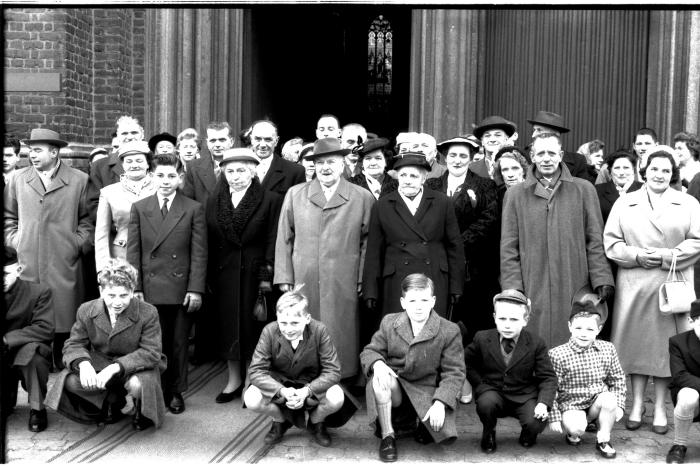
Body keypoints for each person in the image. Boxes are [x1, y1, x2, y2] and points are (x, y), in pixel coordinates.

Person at [604, 148, 700, 435]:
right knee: (635, 345)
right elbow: (611, 243)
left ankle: (659, 406)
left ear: (673, 175)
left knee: (664, 347)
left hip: (671, 286)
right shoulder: (625, 202)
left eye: (666, 171)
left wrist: (665, 256)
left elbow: (697, 241)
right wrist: (635, 256)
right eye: (654, 169)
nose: (659, 175)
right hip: (634, 284)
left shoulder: (688, 203)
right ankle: (636, 404)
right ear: (644, 171)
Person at [500, 132, 614, 347]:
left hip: (574, 279)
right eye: (540, 153)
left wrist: (602, 278)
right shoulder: (515, 194)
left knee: (574, 341)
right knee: (534, 343)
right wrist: (513, 287)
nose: (546, 158)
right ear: (532, 156)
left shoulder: (584, 189)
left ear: (561, 155)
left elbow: (595, 240)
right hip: (533, 280)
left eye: (551, 153)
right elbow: (508, 248)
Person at [275, 138, 374, 380]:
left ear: (343, 165)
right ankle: (308, 378)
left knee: (342, 329)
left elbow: (368, 243)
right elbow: (284, 237)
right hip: (304, 276)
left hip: (344, 277)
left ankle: (341, 380)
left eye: (331, 162)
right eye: (320, 163)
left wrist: (362, 277)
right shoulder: (295, 194)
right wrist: (285, 276)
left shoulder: (362, 197)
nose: (325, 167)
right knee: (304, 326)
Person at [4, 128, 93, 369]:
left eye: (37, 150)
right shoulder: (17, 179)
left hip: (64, 262)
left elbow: (88, 221)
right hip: (28, 260)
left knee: (65, 317)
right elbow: (8, 217)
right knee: (32, 318)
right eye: (30, 150)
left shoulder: (79, 180)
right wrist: (16, 241)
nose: (31, 155)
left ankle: (65, 367)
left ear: (54, 152)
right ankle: (36, 369)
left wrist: (76, 245)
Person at [44, 259, 167, 430]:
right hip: (101, 363)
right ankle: (112, 401)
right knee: (71, 381)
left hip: (138, 367)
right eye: (111, 295)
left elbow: (151, 352)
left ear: (132, 291)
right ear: (101, 291)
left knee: (138, 385)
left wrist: (114, 368)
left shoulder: (148, 312)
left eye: (124, 295)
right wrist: (83, 364)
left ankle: (141, 408)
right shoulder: (86, 309)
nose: (117, 302)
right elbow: (74, 343)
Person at [127, 154, 207, 415]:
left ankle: (176, 390)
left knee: (178, 342)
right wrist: (135, 287)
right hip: (149, 289)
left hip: (180, 288)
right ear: (151, 176)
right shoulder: (139, 207)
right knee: (152, 343)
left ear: (181, 178)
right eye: (160, 175)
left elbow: (199, 253)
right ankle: (154, 390)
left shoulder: (193, 208)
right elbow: (134, 252)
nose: (165, 181)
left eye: (171, 176)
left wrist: (195, 288)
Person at [203, 148, 282, 403]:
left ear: (253, 171)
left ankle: (253, 379)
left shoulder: (269, 199)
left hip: (255, 274)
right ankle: (233, 380)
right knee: (227, 325)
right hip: (224, 273)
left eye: (241, 170)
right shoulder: (214, 200)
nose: (235, 176)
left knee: (253, 326)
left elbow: (273, 238)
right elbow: (209, 238)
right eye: (230, 171)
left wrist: (268, 270)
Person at [360, 274, 465, 462]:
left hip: (426, 390)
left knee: (433, 433)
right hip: (397, 386)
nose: (418, 306)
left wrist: (441, 403)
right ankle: (388, 435)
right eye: (412, 300)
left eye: (424, 300)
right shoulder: (389, 322)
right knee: (379, 379)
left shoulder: (449, 330)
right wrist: (378, 364)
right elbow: (370, 351)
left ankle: (418, 422)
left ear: (433, 301)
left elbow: (454, 373)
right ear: (403, 302)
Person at [245, 286, 353, 447]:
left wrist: (307, 391)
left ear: (307, 318)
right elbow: (255, 371)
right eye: (283, 323)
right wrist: (281, 391)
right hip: (279, 385)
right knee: (251, 399)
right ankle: (279, 422)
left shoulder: (319, 330)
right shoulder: (269, 331)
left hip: (310, 384)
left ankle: (317, 423)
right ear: (277, 318)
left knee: (337, 397)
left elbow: (333, 371)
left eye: (295, 323)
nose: (288, 329)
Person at [363, 152, 465, 319]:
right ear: (397, 178)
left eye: (413, 175)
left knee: (432, 331)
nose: (408, 180)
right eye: (403, 175)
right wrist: (371, 291)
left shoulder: (442, 202)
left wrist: (456, 286)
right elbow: (374, 252)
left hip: (433, 277)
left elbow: (454, 247)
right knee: (398, 330)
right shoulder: (382, 205)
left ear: (423, 179)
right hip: (397, 280)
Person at [465, 289, 557, 453]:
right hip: (493, 391)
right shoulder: (482, 338)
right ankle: (489, 431)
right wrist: (479, 384)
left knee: (536, 422)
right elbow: (467, 362)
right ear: (494, 318)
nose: (507, 324)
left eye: (514, 319)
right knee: (486, 404)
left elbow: (548, 377)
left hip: (524, 394)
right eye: (502, 318)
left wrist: (543, 403)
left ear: (525, 320)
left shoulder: (536, 343)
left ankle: (528, 433)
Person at [429, 136, 499, 344]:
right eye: (452, 155)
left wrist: (457, 244)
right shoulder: (432, 185)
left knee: (471, 319)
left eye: (462, 156)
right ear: (445, 158)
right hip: (439, 262)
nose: (457, 160)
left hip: (473, 265)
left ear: (471, 158)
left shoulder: (485, 185)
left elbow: (488, 220)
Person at [548, 297, 626, 459]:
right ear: (570, 327)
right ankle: (574, 431)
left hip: (596, 402)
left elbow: (617, 378)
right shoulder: (557, 354)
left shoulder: (608, 348)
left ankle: (603, 439)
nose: (583, 334)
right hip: (572, 404)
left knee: (610, 399)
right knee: (577, 428)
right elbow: (551, 388)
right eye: (578, 328)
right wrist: (554, 417)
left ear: (599, 329)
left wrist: (619, 405)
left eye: (590, 329)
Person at [2, 250, 54, 432]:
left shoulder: (39, 292)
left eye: (5, 274)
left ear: (19, 269)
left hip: (23, 351)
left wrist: (7, 339)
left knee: (34, 356)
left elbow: (44, 328)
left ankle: (37, 409)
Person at [94, 141, 157, 272]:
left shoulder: (161, 188)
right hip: (122, 256)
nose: (134, 165)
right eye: (129, 161)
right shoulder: (109, 193)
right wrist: (103, 269)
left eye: (139, 161)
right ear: (122, 165)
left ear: (147, 164)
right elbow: (101, 235)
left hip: (157, 256)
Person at [88, 115, 146, 218]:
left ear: (142, 135)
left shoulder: (155, 163)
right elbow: (94, 205)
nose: (129, 137)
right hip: (116, 229)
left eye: (134, 133)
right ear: (118, 138)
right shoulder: (99, 167)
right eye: (124, 133)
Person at [665, 299, 700, 464]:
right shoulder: (678, 342)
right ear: (691, 321)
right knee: (688, 396)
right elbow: (679, 376)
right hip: (692, 393)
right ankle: (679, 445)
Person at [182, 121, 235, 209]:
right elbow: (188, 203)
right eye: (213, 140)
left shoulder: (243, 166)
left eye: (222, 140)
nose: (217, 145)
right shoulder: (193, 167)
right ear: (207, 143)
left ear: (232, 141)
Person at [249, 120, 305, 197]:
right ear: (251, 139)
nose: (262, 144)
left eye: (268, 139)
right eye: (258, 139)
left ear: (276, 141)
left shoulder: (295, 172)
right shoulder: (236, 169)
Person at [594, 150, 643, 225]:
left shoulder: (644, 189)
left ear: (633, 170)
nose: (621, 173)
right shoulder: (597, 191)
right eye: (617, 168)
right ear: (610, 171)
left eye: (626, 168)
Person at [471, 115, 516, 179]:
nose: (492, 140)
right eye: (487, 136)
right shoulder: (471, 169)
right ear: (482, 141)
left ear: (506, 139)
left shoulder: (518, 166)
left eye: (497, 135)